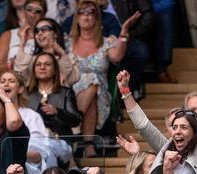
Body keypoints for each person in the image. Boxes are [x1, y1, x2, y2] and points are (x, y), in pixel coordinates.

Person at [67, 0, 136, 157]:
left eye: (90, 12)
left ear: (97, 18)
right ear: (76, 18)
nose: (86, 16)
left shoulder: (106, 42)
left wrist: (124, 31)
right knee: (92, 87)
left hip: (100, 93)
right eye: (82, 12)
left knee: (93, 83)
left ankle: (73, 123)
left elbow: (117, 56)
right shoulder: (67, 42)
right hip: (70, 92)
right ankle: (88, 143)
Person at [26, 51, 82, 137]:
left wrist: (57, 112)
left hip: (59, 141)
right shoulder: (26, 93)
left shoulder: (66, 92)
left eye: (47, 64)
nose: (42, 67)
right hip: (31, 140)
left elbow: (76, 120)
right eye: (38, 64)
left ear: (55, 70)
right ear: (34, 70)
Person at [13, 18, 80, 87]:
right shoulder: (32, 60)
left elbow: (72, 79)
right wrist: (22, 43)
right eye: (36, 31)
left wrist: (62, 53)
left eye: (44, 29)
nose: (40, 33)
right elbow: (19, 77)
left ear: (55, 34)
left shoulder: (68, 58)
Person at [0, 0, 45, 74]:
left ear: (44, 14)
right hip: (14, 81)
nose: (33, 14)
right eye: (29, 9)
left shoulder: (49, 35)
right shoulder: (8, 35)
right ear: (24, 11)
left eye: (38, 11)